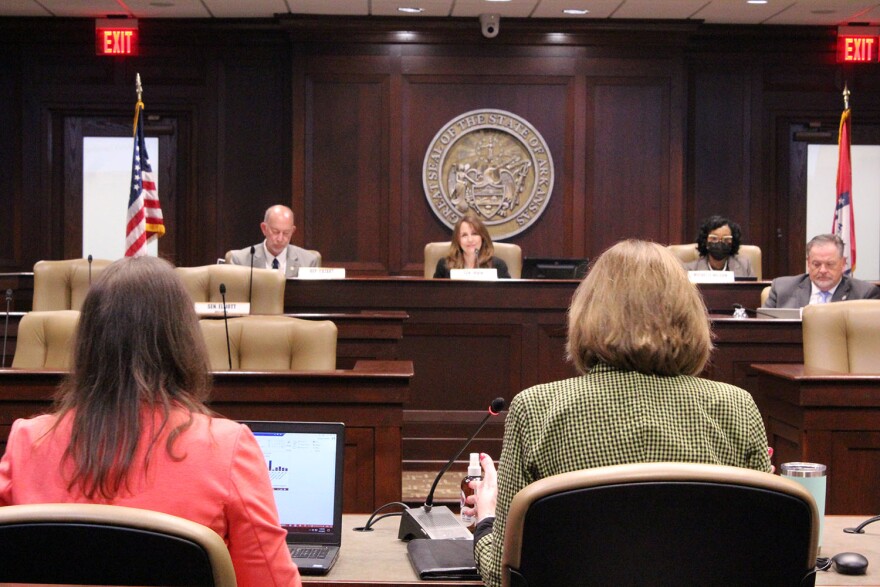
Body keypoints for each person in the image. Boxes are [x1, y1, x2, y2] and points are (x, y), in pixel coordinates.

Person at [464, 240, 772, 587]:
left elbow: (499, 572)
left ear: (587, 314)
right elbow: (765, 557)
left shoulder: (535, 408)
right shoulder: (738, 408)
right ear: (689, 316)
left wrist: (487, 518)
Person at [0, 257, 300, 587]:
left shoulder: (27, 441)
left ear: (87, 343)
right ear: (182, 341)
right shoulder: (227, 448)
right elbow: (272, 582)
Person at [765, 233, 879, 308]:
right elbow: (764, 330)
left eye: (830, 264)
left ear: (843, 264)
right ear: (808, 263)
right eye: (816, 264)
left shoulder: (865, 294)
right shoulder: (781, 289)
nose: (823, 270)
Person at [228, 204, 319, 278]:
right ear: (264, 229)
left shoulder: (308, 261)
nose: (280, 238)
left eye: (286, 233)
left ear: (292, 231)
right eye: (275, 232)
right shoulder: (240, 261)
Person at [433, 212, 511, 278]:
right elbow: (434, 294)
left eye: (474, 234)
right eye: (464, 235)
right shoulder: (444, 266)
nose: (470, 240)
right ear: (458, 240)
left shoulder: (498, 266)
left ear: (482, 237)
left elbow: (509, 295)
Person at [684, 215, 755, 278]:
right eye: (714, 238)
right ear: (705, 241)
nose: (720, 243)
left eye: (726, 239)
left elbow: (753, 292)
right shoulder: (689, 270)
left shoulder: (745, 267)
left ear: (733, 242)